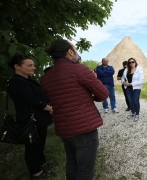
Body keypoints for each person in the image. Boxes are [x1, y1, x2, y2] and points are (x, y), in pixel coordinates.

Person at [40, 39, 109, 180]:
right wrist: (90, 96)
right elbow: (103, 94)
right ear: (70, 52)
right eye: (75, 50)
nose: (77, 53)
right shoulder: (80, 70)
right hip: (84, 128)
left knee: (71, 163)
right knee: (85, 169)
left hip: (63, 128)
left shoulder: (46, 78)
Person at [7, 55, 53, 179]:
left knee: (39, 143)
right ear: (17, 67)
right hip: (30, 120)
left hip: (38, 119)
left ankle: (42, 163)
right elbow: (31, 99)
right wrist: (49, 108)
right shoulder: (17, 82)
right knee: (32, 146)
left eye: (33, 65)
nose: (34, 67)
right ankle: (36, 173)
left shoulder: (27, 80)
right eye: (29, 65)